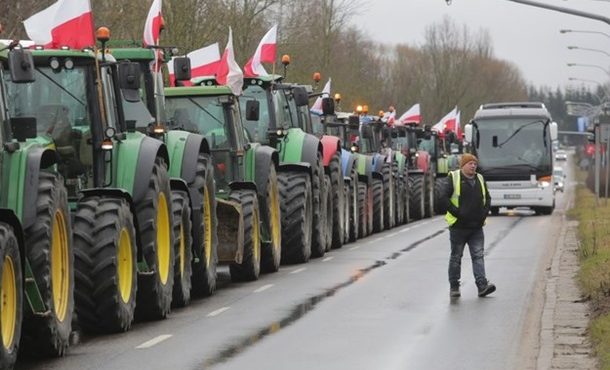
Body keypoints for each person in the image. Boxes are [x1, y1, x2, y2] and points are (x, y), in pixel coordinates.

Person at [443, 153, 496, 298]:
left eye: (475, 163)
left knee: (478, 256)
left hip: (476, 228)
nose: (473, 166)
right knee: (456, 257)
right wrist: (458, 213)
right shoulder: (453, 178)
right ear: (463, 165)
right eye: (470, 163)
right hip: (458, 227)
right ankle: (454, 286)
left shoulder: (479, 178)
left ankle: (482, 285)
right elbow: (443, 197)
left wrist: (483, 214)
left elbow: (488, 198)